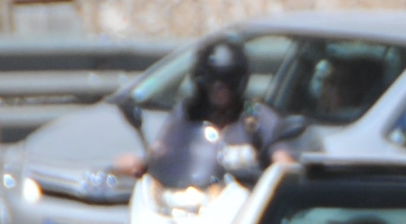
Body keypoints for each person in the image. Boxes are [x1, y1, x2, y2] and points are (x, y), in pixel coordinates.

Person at [110, 37, 294, 182]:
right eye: (213, 81)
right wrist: (140, 163)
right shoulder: (188, 115)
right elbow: (162, 153)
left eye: (227, 81)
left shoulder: (256, 118)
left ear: (239, 81)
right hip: (196, 201)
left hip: (244, 209)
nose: (219, 88)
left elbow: (283, 163)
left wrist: (280, 167)